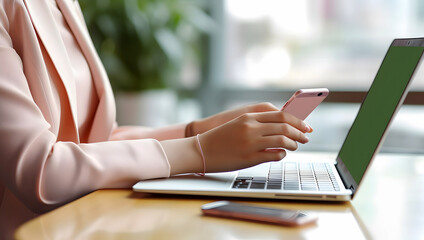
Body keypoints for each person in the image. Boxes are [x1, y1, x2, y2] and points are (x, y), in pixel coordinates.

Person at [0, 0, 311, 238]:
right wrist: (198, 150)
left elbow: (94, 141)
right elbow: (40, 172)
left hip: (81, 225)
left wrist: (199, 130)